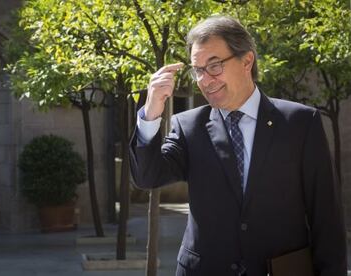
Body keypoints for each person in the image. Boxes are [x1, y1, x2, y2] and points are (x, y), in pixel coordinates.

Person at [129, 15, 347, 276]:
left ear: (247, 61)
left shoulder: (300, 123)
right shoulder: (189, 127)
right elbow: (147, 176)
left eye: (215, 66)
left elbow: (326, 217)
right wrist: (151, 113)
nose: (205, 80)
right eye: (198, 70)